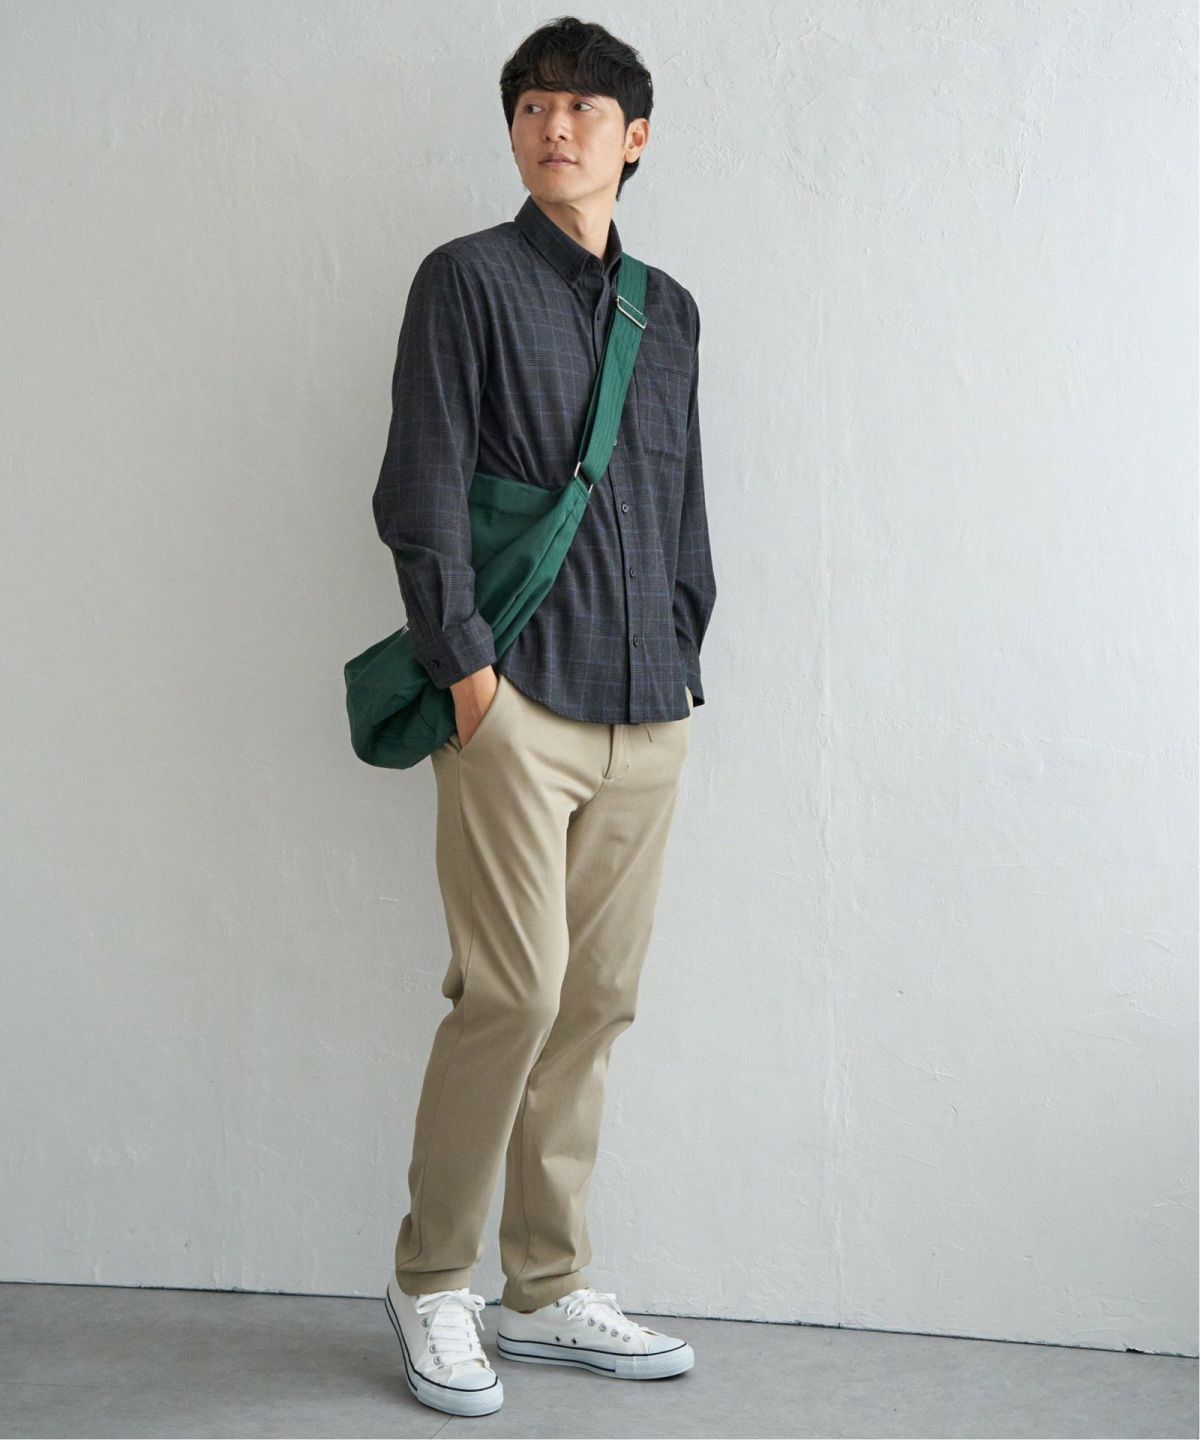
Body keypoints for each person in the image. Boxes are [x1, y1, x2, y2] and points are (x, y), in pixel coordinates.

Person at [371, 16, 717, 1418]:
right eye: (530, 106)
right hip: (515, 703)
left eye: (581, 107)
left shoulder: (669, 311)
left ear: (636, 137)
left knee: (596, 1003)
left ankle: (547, 1285)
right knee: (512, 995)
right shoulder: (465, 281)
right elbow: (421, 487)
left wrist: (685, 646)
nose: (553, 126)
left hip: (648, 706)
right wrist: (470, 680)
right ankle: (432, 1283)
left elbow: (684, 498)